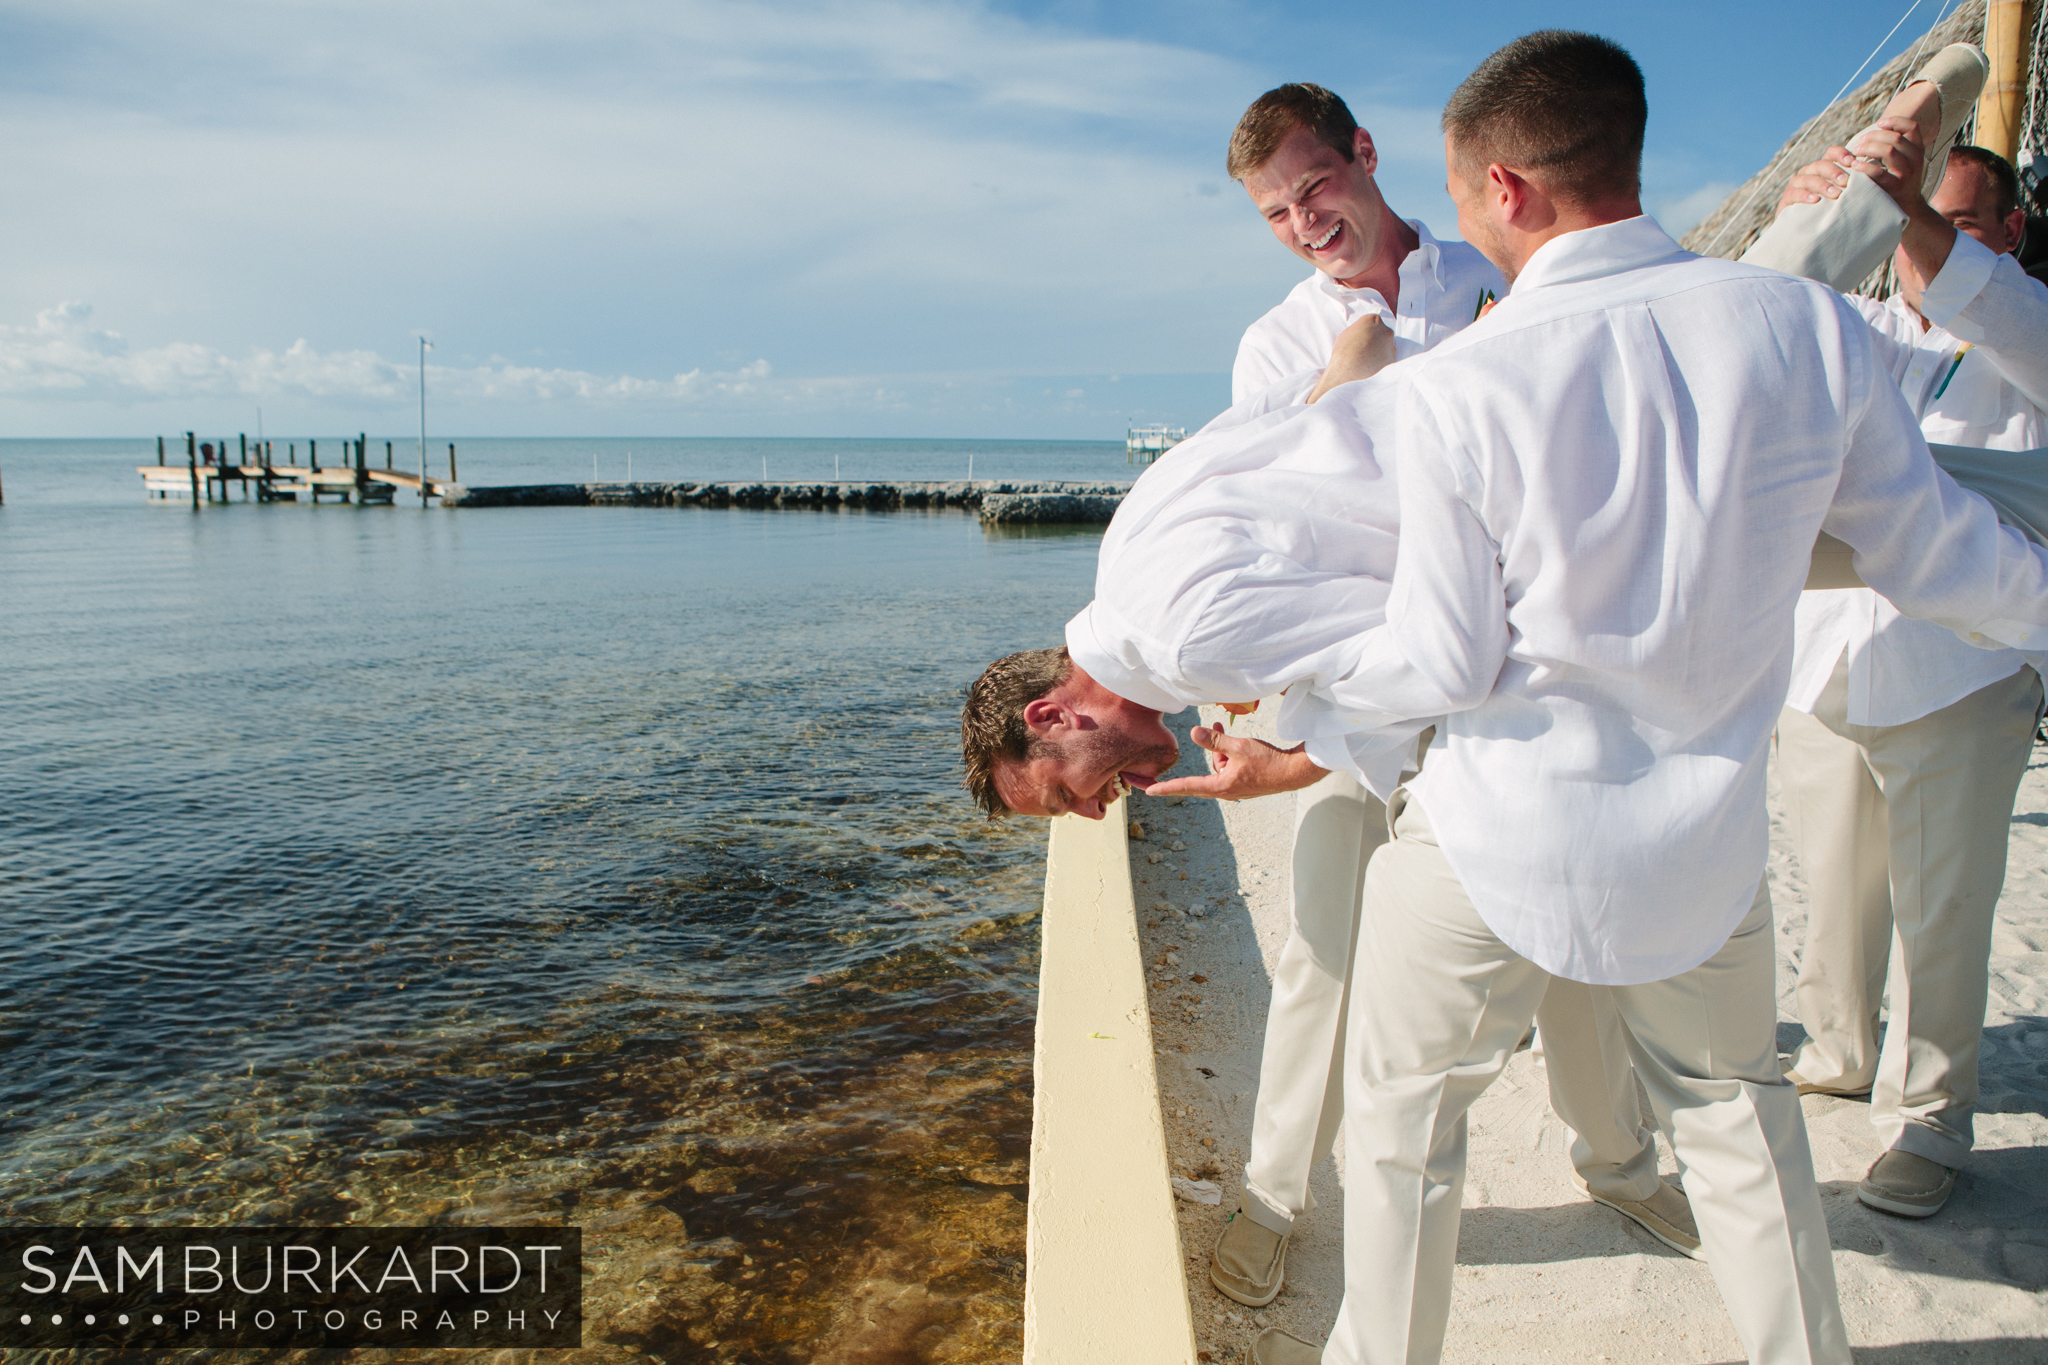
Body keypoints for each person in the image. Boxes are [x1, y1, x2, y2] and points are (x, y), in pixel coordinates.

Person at [962, 29, 2048, 1365]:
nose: (1104, 804)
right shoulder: (1788, 327)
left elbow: (1437, 655)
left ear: (1503, 194)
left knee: (1407, 1122)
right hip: (1702, 836)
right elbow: (1932, 550)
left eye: (1073, 792)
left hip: (1501, 826)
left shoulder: (1469, 381)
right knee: (1736, 1115)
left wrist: (1292, 744)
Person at [1192, 84, 1696, 1311]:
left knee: (1568, 945)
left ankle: (1615, 1158)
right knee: (1319, 951)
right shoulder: (1273, 346)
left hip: (1518, 681)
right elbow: (1276, 525)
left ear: (1364, 157)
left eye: (1314, 188)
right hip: (1365, 695)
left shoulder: (1506, 272)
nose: (1304, 221)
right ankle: (1271, 1197)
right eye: (1274, 213)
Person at [1754, 67, 2048, 1220]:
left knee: (1942, 910)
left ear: (2004, 231)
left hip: (1960, 672)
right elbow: (1767, 321)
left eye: (1953, 215)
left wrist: (1914, 214)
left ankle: (1926, 1119)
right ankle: (1834, 1048)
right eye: (1905, 216)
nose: (1918, 241)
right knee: (1832, 892)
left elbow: (2006, 318)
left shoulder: (2026, 330)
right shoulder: (1858, 325)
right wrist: (1806, 209)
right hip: (1826, 659)